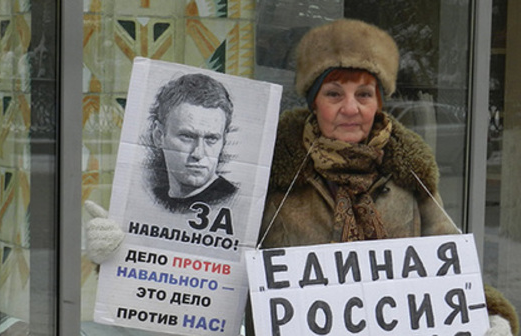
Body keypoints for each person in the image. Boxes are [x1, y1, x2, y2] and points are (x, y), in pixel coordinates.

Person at [247, 18, 518, 336]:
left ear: (379, 103)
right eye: (334, 94)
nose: (350, 108)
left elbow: (449, 264)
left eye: (363, 95)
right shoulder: (275, 172)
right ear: (314, 103)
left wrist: (487, 314)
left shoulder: (409, 174)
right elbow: (227, 265)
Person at [142, 73, 238, 213]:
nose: (198, 153)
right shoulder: (149, 199)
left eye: (211, 139)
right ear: (159, 136)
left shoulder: (236, 201)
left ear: (223, 141)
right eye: (187, 136)